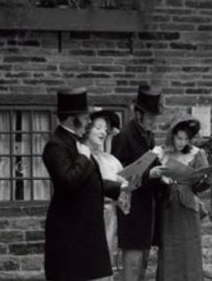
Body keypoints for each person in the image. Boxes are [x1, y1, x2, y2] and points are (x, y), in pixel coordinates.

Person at [42, 88, 128, 281]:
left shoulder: (76, 142)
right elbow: (67, 182)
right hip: (70, 233)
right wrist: (82, 157)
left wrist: (120, 188)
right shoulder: (56, 145)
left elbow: (91, 182)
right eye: (85, 117)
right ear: (73, 119)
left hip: (87, 231)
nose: (89, 122)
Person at [112, 85, 164, 281]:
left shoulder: (148, 136)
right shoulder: (124, 136)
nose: (153, 122)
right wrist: (148, 175)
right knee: (132, 265)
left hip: (146, 208)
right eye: (150, 117)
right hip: (131, 210)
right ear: (138, 114)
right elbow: (117, 174)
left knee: (143, 264)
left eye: (154, 117)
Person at [155, 115, 212, 281]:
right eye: (179, 138)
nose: (181, 142)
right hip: (168, 207)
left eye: (186, 139)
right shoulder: (162, 153)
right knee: (169, 250)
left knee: (189, 249)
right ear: (172, 136)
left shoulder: (196, 154)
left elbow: (201, 186)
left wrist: (206, 178)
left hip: (188, 208)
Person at [82, 109, 129, 280]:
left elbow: (123, 190)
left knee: (107, 261)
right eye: (98, 127)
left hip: (110, 217)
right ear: (86, 129)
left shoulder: (111, 161)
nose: (103, 132)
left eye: (105, 129)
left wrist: (128, 187)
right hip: (88, 217)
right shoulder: (81, 158)